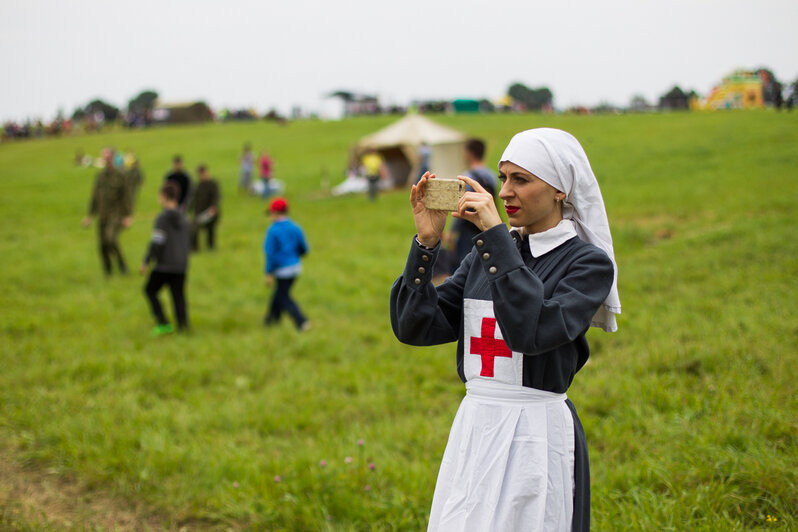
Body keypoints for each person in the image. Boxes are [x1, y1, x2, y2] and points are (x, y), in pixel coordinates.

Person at [390, 128, 621, 531]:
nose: (507, 192)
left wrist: (496, 239)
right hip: (476, 425)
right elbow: (416, 326)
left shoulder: (587, 264)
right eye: (504, 179)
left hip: (536, 432)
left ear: (559, 192)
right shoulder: (485, 257)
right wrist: (426, 244)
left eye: (522, 179)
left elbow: (531, 332)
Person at [140, 182, 191, 335]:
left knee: (149, 290)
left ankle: (163, 322)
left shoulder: (162, 218)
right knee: (178, 296)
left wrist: (146, 261)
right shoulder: (184, 218)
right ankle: (183, 327)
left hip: (164, 265)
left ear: (163, 196)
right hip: (181, 265)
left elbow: (157, 242)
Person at [448, 138, 499, 269]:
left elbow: (462, 206)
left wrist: (452, 231)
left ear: (470, 153)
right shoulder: (492, 175)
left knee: (465, 265)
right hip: (487, 224)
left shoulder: (467, 176)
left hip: (468, 228)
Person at [82, 147, 133, 275]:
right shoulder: (100, 176)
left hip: (116, 214)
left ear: (114, 158)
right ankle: (108, 271)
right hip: (102, 214)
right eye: (104, 158)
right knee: (102, 245)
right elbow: (95, 196)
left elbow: (127, 196)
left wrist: (127, 216)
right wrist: (89, 216)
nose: (106, 161)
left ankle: (122, 264)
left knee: (110, 239)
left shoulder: (121, 175)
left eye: (108, 158)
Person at [263, 197, 310, 331]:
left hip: (281, 270)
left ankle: (301, 321)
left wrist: (268, 273)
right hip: (295, 267)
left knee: (283, 297)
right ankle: (271, 320)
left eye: (271, 213)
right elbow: (304, 248)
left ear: (276, 213)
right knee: (279, 293)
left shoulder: (273, 231)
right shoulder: (296, 227)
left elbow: (270, 254)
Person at [189, 164, 221, 251]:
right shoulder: (198, 185)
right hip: (199, 213)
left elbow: (216, 197)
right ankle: (194, 249)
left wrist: (214, 207)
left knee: (211, 231)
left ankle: (211, 248)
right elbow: (193, 200)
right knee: (194, 230)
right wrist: (188, 209)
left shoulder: (213, 184)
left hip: (211, 213)